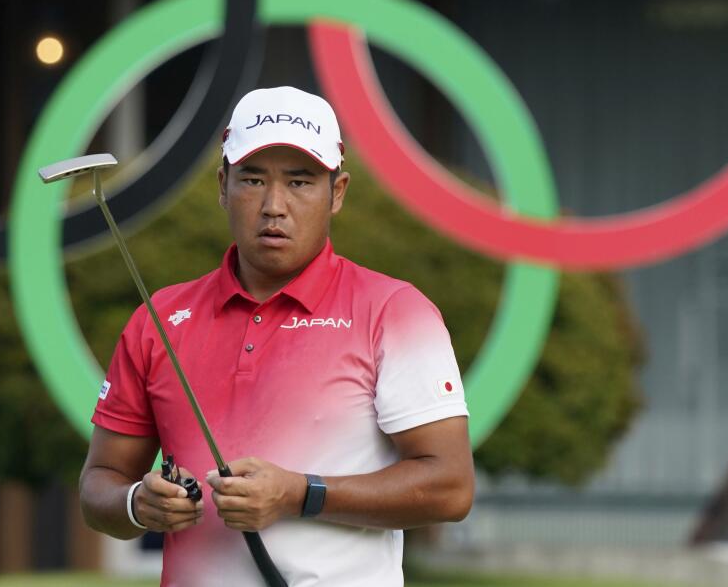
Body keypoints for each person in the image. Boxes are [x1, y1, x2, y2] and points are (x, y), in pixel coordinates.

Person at [78, 86, 474, 586]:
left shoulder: (394, 311)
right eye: (253, 179)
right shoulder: (160, 317)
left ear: (339, 192)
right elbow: (99, 485)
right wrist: (137, 503)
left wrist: (298, 494)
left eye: (300, 181)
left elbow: (450, 488)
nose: (273, 205)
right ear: (223, 185)